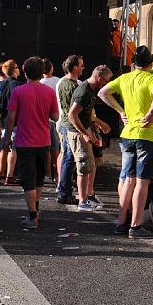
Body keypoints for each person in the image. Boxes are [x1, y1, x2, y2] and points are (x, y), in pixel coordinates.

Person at [99, 45, 153, 239]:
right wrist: (151, 113)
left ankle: (121, 222)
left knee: (128, 179)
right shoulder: (151, 78)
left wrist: (120, 111)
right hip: (147, 135)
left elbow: (103, 93)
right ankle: (136, 226)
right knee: (143, 182)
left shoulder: (125, 77)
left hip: (128, 134)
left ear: (133, 63)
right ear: (150, 64)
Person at [4, 56, 59, 230]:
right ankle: (35, 211)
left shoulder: (19, 91)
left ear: (25, 71)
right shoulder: (49, 92)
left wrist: (6, 140)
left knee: (28, 180)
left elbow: (10, 118)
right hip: (44, 141)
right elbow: (55, 117)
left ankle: (32, 217)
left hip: (24, 141)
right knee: (38, 179)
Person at [67, 65, 112, 211]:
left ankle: (87, 196)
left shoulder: (91, 90)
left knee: (90, 164)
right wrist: (85, 133)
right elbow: (72, 115)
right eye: (106, 81)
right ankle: (82, 201)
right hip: (78, 133)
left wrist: (97, 124)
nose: (106, 84)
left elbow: (86, 114)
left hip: (83, 130)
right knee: (83, 166)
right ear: (100, 79)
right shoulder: (85, 91)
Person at [55, 55, 84, 205]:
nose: (83, 67)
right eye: (81, 65)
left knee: (66, 157)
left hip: (64, 123)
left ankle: (63, 190)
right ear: (74, 67)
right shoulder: (73, 85)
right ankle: (64, 193)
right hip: (70, 125)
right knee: (69, 158)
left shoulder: (62, 82)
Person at [40, 58, 62, 181]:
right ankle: (58, 175)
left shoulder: (40, 83)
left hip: (44, 119)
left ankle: (48, 174)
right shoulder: (58, 81)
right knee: (56, 149)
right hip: (56, 118)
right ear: (51, 68)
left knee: (46, 149)